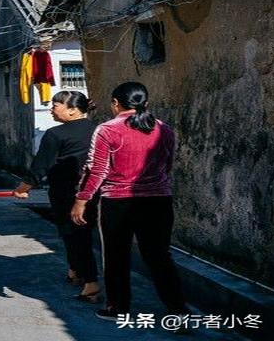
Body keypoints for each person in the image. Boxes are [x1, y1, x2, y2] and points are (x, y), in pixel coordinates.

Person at [70, 82, 189, 321]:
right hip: (159, 201)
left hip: (118, 202)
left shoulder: (108, 129)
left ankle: (118, 308)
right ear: (145, 103)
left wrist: (81, 200)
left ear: (116, 103)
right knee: (159, 257)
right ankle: (178, 311)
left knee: (116, 256)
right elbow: (167, 165)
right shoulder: (164, 129)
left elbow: (96, 169)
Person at [11, 91, 101, 302]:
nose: (52, 109)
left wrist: (22, 189)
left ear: (73, 110)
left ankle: (91, 283)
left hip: (66, 193)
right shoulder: (98, 130)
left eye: (56, 105)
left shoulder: (55, 134)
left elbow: (39, 168)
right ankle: (75, 272)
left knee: (74, 235)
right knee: (79, 234)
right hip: (94, 191)